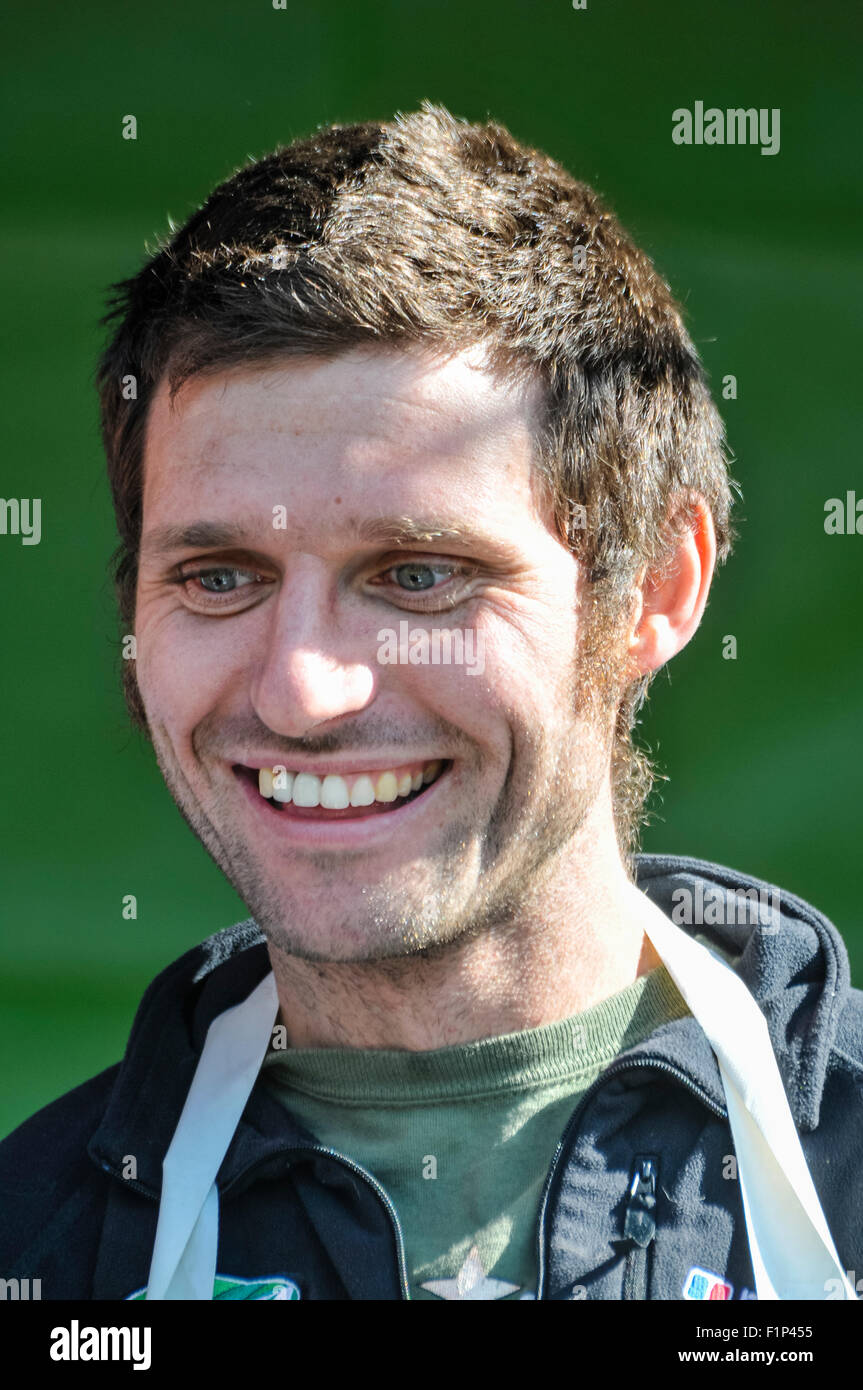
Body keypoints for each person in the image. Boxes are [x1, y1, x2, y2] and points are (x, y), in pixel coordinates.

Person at [1, 101, 861, 1303]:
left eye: (416, 575)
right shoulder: (33, 1243)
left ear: (652, 590)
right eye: (219, 577)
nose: (303, 689)